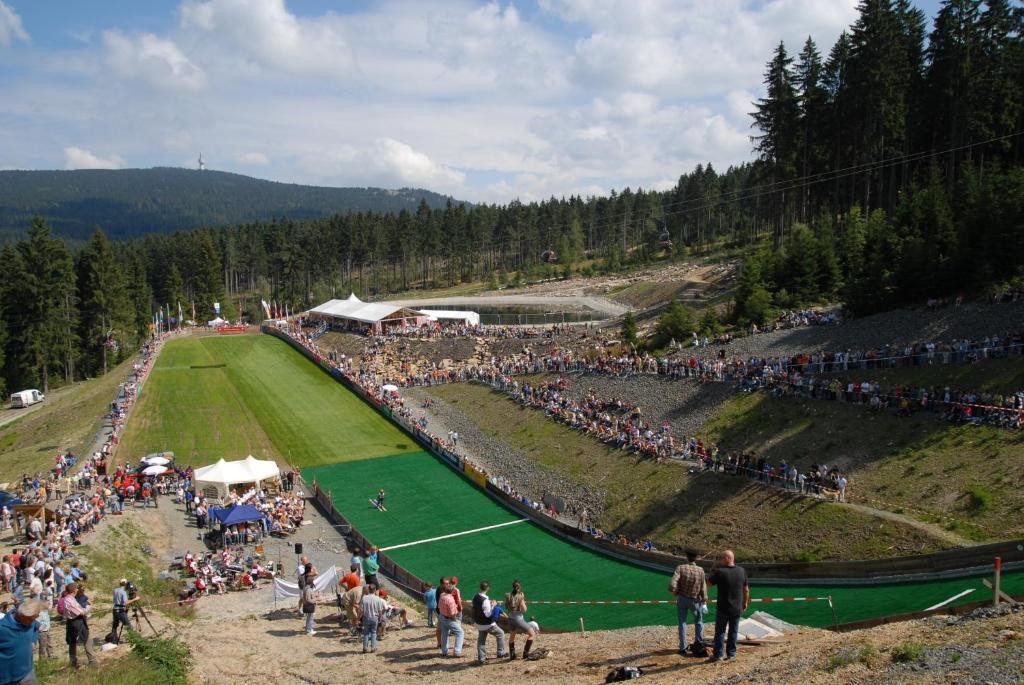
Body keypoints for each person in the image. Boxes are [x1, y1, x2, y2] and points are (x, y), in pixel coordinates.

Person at [706, 550, 749, 663]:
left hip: (723, 608)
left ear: (727, 558)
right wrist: (745, 603)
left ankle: (718, 655)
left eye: (722, 558)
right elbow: (746, 589)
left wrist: (712, 571)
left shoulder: (720, 572)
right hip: (736, 608)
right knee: (733, 631)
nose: (720, 560)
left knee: (720, 631)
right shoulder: (741, 571)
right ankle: (731, 655)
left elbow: (708, 584)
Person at [669, 549, 707, 655]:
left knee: (682, 622)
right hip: (696, 600)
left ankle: (683, 647)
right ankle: (698, 643)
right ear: (696, 557)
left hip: (682, 598)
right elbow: (703, 587)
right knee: (699, 622)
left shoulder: (680, 568)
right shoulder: (701, 570)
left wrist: (675, 591)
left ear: (687, 557)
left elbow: (672, 584)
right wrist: (704, 598)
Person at [0, 599, 40, 685]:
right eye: (30, 620)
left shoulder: (30, 621)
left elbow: (36, 627)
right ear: (21, 616)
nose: (32, 622)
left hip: (28, 674)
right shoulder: (2, 628)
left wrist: (33, 640)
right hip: (6, 679)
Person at [59, 583, 97, 668]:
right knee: (87, 639)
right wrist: (89, 608)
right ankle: (92, 661)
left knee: (72, 643)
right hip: (77, 622)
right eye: (76, 589)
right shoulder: (70, 600)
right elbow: (81, 612)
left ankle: (73, 662)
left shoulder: (67, 598)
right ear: (74, 590)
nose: (77, 590)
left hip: (71, 622)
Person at [472, 580, 507, 665]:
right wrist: (494, 606)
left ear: (480, 587)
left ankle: (481, 658)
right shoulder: (485, 600)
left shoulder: (475, 597)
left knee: (481, 640)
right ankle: (500, 653)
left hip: (479, 623)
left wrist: (490, 605)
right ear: (487, 588)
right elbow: (488, 615)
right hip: (487, 624)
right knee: (501, 633)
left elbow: (474, 607)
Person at [504, 579, 537, 660]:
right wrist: (523, 600)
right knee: (532, 634)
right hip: (518, 619)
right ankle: (526, 654)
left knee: (512, 636)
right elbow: (524, 610)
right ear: (519, 587)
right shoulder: (520, 596)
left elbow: (506, 606)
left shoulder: (508, 595)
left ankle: (512, 655)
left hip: (510, 618)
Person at [437, 579, 464, 658]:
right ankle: (457, 651)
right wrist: (454, 619)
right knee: (460, 632)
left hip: (442, 616)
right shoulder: (451, 600)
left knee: (444, 633)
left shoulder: (442, 596)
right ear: (452, 592)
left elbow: (438, 606)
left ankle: (444, 651)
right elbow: (452, 613)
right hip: (449, 618)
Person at [358, 584, 387, 654]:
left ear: (368, 590)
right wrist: (381, 618)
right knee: (374, 633)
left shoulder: (364, 598)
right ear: (375, 590)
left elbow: (361, 610)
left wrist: (358, 618)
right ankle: (373, 648)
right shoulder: (378, 599)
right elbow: (380, 610)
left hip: (366, 618)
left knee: (366, 633)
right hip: (374, 618)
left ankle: (365, 648)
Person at [110, 579, 138, 643]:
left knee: (115, 625)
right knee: (128, 625)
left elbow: (116, 600)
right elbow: (126, 603)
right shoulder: (123, 592)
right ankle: (134, 639)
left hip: (115, 609)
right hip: (120, 610)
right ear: (125, 584)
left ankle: (114, 640)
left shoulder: (115, 590)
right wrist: (135, 599)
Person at [301, 568, 318, 636]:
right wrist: (315, 600)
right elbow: (308, 599)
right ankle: (309, 630)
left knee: (309, 618)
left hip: (308, 605)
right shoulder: (308, 589)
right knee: (310, 618)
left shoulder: (306, 588)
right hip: (309, 606)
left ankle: (309, 629)